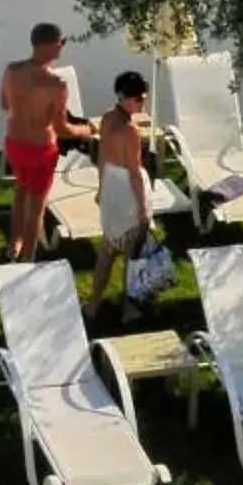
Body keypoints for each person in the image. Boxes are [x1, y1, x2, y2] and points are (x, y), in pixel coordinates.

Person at [0, 23, 93, 262]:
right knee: (36, 206)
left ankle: (14, 245)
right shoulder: (56, 84)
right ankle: (28, 259)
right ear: (51, 44)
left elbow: (4, 104)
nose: (62, 47)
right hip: (41, 150)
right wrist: (85, 129)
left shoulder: (11, 70)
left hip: (15, 144)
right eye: (62, 42)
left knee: (20, 192)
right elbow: (61, 128)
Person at [85, 71, 153, 319]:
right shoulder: (130, 131)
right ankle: (128, 309)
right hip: (126, 191)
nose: (143, 103)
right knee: (131, 254)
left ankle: (93, 305)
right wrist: (143, 207)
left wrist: (101, 189)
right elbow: (134, 173)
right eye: (139, 99)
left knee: (107, 249)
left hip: (111, 187)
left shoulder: (106, 119)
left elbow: (102, 158)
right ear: (126, 98)